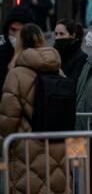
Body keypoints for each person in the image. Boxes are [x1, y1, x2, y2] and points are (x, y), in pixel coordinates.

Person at [0, 24, 66, 193]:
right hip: (58, 146)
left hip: (27, 150)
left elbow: (8, 120)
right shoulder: (58, 71)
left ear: (20, 43)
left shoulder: (16, 75)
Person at [0, 7, 33, 90]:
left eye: (21, 31)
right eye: (13, 29)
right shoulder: (2, 44)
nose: (16, 35)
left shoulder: (33, 50)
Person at [53, 18, 87, 82]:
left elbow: (74, 83)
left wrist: (62, 75)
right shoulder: (53, 54)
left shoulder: (81, 57)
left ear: (73, 35)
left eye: (61, 34)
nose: (57, 37)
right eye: (56, 34)